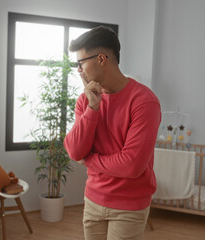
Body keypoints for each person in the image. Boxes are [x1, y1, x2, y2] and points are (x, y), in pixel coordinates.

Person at [64, 26, 161, 240]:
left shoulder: (144, 102)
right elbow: (74, 151)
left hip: (129, 206)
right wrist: (93, 108)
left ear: (101, 59)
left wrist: (90, 160)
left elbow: (132, 165)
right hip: (92, 200)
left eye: (80, 63)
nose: (78, 70)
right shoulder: (86, 100)